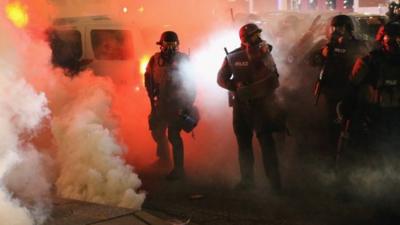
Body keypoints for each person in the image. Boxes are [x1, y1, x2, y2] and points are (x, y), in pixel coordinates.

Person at [217, 23, 283, 193]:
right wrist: (236, 86)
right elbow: (221, 79)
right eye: (255, 35)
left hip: (262, 106)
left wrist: (253, 88)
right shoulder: (232, 56)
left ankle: (275, 184)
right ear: (246, 39)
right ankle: (247, 181)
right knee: (244, 145)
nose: (259, 38)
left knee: (267, 145)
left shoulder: (264, 54)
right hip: (241, 106)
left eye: (258, 34)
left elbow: (274, 80)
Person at [311, 15, 367, 161]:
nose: (336, 30)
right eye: (334, 27)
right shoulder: (328, 45)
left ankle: (349, 159)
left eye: (340, 27)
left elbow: (365, 62)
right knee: (332, 128)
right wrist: (321, 54)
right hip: (331, 92)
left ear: (348, 29)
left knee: (350, 126)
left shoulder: (357, 45)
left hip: (350, 91)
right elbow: (312, 60)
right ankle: (334, 158)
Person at [144, 31, 196, 180]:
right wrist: (151, 98)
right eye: (168, 45)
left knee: (174, 135)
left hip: (177, 103)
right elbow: (148, 78)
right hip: (160, 103)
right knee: (157, 131)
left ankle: (179, 170)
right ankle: (163, 159)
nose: (171, 48)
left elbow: (192, 84)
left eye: (174, 45)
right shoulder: (155, 60)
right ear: (161, 45)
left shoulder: (184, 60)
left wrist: (187, 104)